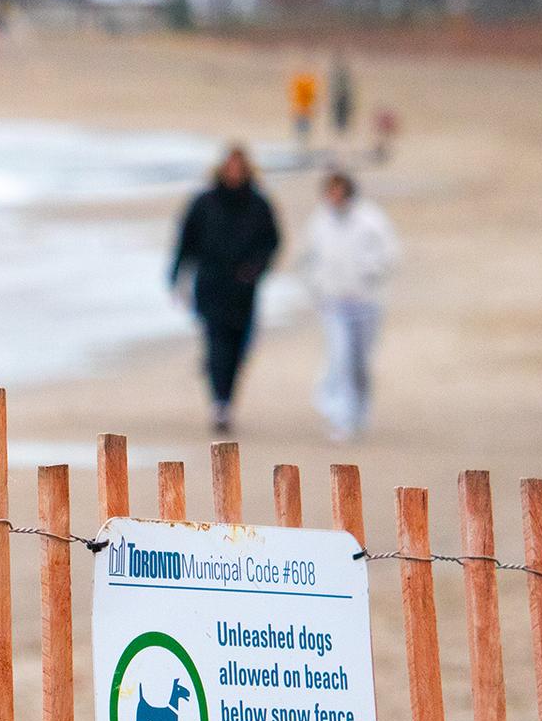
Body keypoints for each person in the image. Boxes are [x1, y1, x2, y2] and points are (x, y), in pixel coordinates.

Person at [169, 145, 282, 434]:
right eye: (229, 168)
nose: (233, 173)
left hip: (243, 288)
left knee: (240, 346)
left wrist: (256, 269)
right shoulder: (204, 202)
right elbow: (186, 241)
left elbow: (272, 242)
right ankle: (220, 403)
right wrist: (176, 276)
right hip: (210, 284)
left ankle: (225, 393)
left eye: (238, 168)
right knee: (216, 340)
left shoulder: (258, 204)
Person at [302, 171, 399, 442]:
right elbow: (308, 258)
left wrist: (370, 271)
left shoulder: (371, 219)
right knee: (340, 357)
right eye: (330, 191)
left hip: (366, 302)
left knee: (360, 363)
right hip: (333, 303)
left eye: (339, 190)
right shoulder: (319, 222)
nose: (334, 196)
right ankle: (340, 416)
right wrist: (317, 287)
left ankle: (360, 411)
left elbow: (390, 253)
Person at [328, 53, 355, 138]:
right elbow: (332, 89)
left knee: (343, 120)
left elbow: (349, 89)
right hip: (338, 100)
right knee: (337, 119)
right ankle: (338, 134)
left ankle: (342, 134)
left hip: (343, 99)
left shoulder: (345, 75)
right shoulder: (334, 75)